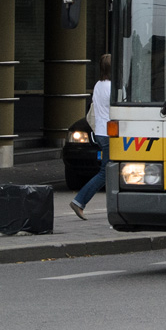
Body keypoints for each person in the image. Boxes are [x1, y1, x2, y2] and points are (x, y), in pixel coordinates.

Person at [71, 53, 111, 220]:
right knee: (106, 172)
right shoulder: (113, 87)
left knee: (112, 170)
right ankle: (79, 201)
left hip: (100, 132)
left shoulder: (98, 85)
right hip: (111, 134)